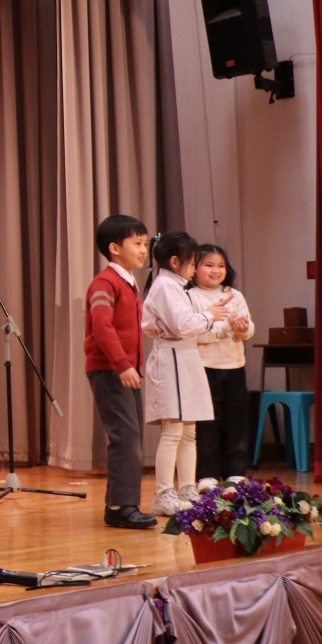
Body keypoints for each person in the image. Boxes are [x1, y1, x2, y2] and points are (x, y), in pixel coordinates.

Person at [140, 231, 227, 516]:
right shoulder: (166, 285)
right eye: (193, 262)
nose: (195, 268)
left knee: (189, 431)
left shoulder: (177, 286)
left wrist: (219, 323)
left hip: (186, 356)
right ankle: (163, 493)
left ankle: (187, 488)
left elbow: (190, 327)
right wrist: (210, 315)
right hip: (171, 359)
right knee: (173, 430)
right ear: (175, 262)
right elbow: (182, 325)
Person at [87, 214, 157, 529]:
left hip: (125, 370)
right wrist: (123, 364)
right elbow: (102, 327)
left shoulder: (128, 282)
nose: (143, 250)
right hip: (111, 370)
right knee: (125, 438)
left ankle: (121, 504)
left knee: (131, 437)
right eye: (137, 243)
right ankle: (121, 507)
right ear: (114, 248)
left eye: (145, 244)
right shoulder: (105, 283)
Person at [190, 244, 256, 481]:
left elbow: (249, 329)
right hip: (204, 368)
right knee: (206, 424)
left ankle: (235, 473)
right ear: (194, 268)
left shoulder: (234, 295)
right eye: (208, 265)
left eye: (221, 266)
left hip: (234, 366)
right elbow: (195, 335)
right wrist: (226, 327)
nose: (215, 270)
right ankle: (206, 474)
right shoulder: (191, 296)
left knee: (236, 422)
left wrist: (242, 328)